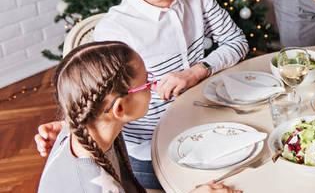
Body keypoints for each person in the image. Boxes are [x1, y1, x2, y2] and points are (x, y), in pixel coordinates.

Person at [36, 0, 249, 189]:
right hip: (152, 152)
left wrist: (196, 72)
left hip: (203, 125)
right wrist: (69, 130)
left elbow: (237, 42)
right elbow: (104, 108)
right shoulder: (115, 32)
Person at [38, 41, 238, 193]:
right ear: (120, 108)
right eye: (146, 83)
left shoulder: (79, 130)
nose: (153, 85)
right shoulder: (100, 187)